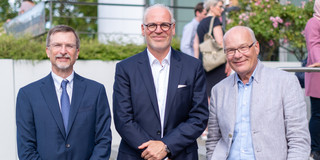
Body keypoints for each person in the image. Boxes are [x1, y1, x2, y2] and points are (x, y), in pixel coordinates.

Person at [113, 4, 208, 160]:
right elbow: (123, 119)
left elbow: (199, 117)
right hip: (137, 155)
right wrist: (152, 150)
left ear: (173, 28)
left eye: (164, 25)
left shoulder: (193, 67)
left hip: (180, 155)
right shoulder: (125, 69)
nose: (158, 30)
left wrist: (166, 146)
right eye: (152, 25)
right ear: (143, 29)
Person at [206, 26, 311, 160]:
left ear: (256, 47)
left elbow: (299, 139)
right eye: (231, 50)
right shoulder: (218, 91)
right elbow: (213, 140)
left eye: (243, 47)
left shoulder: (285, 82)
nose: (237, 55)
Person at [16, 25, 112, 160]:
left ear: (77, 52)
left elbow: (103, 140)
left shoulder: (96, 91)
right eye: (57, 45)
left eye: (69, 46)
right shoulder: (27, 95)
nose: (63, 51)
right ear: (48, 51)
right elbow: (26, 148)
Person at [196, 0, 231, 98]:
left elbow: (196, 45)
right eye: (220, 6)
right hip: (216, 63)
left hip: (204, 62)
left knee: (208, 95)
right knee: (219, 95)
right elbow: (220, 42)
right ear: (211, 7)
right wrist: (229, 61)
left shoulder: (201, 23)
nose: (222, 9)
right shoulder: (215, 21)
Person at [305, 0, 320, 159]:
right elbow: (314, 45)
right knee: (318, 114)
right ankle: (315, 149)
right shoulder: (313, 22)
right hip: (318, 74)